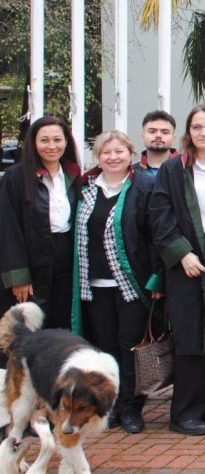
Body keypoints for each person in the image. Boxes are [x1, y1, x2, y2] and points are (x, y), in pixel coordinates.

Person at [148, 104, 205, 436]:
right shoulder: (174, 169)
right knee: (190, 336)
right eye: (197, 127)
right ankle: (183, 412)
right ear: (189, 132)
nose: (204, 132)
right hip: (188, 258)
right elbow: (160, 217)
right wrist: (182, 254)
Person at [71, 131, 155, 434]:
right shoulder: (84, 189)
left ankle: (132, 408)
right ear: (98, 156)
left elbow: (154, 235)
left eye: (119, 151)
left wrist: (156, 278)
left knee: (130, 346)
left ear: (130, 154)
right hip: (94, 284)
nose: (113, 157)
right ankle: (112, 405)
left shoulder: (142, 186)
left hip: (131, 284)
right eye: (106, 152)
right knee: (105, 348)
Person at [0, 116, 81, 331]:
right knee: (27, 326)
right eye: (44, 140)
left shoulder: (73, 176)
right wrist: (19, 276)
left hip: (66, 258)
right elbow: (8, 228)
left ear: (66, 142)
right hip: (31, 259)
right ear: (33, 143)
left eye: (57, 139)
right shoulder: (16, 178)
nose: (51, 146)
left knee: (61, 323)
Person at [135, 110, 177, 176]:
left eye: (165, 132)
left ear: (173, 139)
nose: (158, 135)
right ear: (142, 137)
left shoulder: (186, 171)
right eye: (152, 131)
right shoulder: (130, 173)